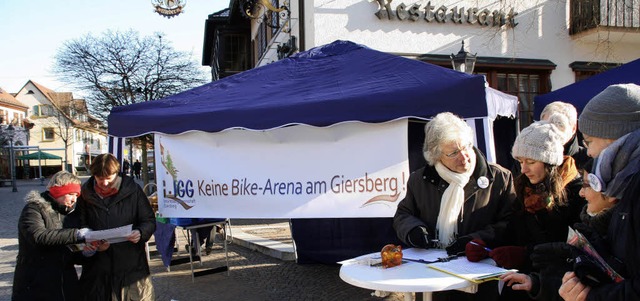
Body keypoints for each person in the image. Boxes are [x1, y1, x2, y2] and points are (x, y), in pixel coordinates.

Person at [393, 112, 517, 300]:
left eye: (466, 146)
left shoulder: (500, 178)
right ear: (435, 156)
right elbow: (404, 214)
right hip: (430, 278)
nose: (464, 156)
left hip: (477, 281)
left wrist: (474, 240)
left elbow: (510, 222)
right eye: (453, 153)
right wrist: (414, 231)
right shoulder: (419, 180)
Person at [468, 114, 584, 300]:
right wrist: (486, 245)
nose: (523, 169)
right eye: (520, 162)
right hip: (521, 283)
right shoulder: (524, 187)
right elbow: (513, 229)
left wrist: (525, 254)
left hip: (555, 287)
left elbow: (574, 249)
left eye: (530, 162)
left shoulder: (578, 193)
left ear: (550, 162)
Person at [557, 83, 640, 300]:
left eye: (590, 141)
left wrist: (591, 296)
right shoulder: (627, 184)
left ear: (617, 137)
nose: (590, 152)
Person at [78, 153, 156, 301]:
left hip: (131, 265)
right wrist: (90, 239)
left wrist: (140, 232)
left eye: (108, 179)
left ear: (117, 174)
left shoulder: (133, 190)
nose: (105, 183)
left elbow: (149, 220)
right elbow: (81, 223)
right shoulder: (85, 194)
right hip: (98, 270)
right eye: (100, 179)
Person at [12, 171, 89, 301]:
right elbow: (39, 236)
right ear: (58, 191)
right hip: (35, 284)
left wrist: (87, 252)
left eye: (76, 195)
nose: (74, 199)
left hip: (65, 283)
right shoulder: (33, 209)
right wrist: (78, 233)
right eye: (70, 194)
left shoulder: (69, 214)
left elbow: (69, 250)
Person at [540, 101, 589, 169]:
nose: (552, 131)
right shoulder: (528, 159)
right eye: (546, 126)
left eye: (559, 125)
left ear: (573, 128)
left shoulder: (589, 161)